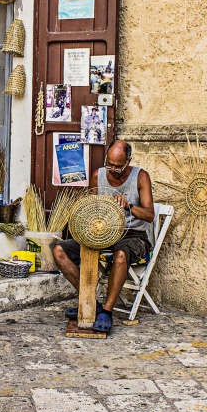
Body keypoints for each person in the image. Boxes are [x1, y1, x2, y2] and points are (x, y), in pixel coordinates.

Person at [52, 140, 154, 332]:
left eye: (118, 166)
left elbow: (149, 215)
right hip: (102, 233)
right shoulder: (98, 175)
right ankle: (90, 301)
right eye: (110, 164)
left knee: (121, 255)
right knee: (59, 250)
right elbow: (92, 210)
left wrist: (129, 206)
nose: (113, 169)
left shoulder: (140, 177)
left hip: (133, 235)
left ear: (128, 160)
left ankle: (106, 312)